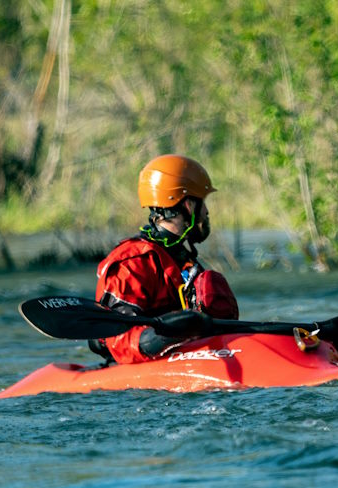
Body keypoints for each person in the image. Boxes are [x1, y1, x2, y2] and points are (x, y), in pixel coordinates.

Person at [90, 154, 239, 364]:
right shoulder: (133, 261)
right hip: (140, 384)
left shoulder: (183, 259)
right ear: (188, 205)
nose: (206, 211)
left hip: (187, 360)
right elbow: (119, 337)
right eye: (202, 202)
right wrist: (170, 334)